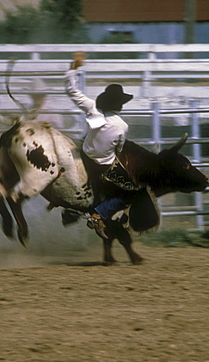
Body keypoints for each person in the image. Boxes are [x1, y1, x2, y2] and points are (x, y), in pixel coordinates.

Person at [65, 52, 139, 239]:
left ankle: (74, 208)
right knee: (129, 191)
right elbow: (119, 150)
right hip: (103, 165)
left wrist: (72, 69)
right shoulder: (122, 126)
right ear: (120, 105)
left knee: (85, 137)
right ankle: (98, 214)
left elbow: (72, 92)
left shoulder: (92, 108)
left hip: (84, 155)